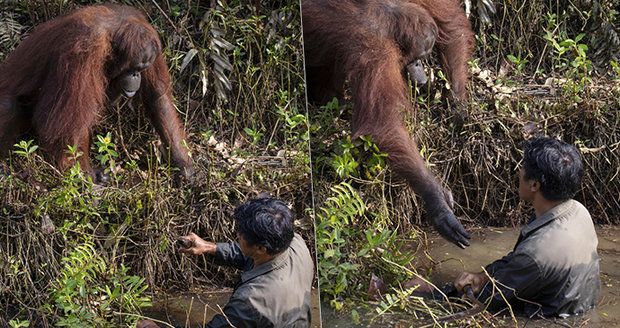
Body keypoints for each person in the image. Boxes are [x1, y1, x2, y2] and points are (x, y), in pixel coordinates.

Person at [453, 136, 600, 318]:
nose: (519, 171)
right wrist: (482, 277)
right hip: (582, 309)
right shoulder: (579, 211)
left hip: (549, 320)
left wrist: (433, 291)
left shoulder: (535, 254)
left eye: (523, 167)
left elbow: (491, 298)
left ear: (534, 184)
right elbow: (516, 262)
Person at [137, 197, 315, 328]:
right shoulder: (294, 243)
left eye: (242, 235)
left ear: (261, 248)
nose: (237, 236)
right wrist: (209, 247)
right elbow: (251, 254)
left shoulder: (251, 301)